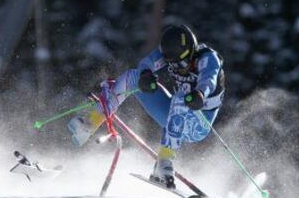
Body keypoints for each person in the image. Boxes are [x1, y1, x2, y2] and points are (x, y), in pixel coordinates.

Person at [69, 25, 225, 189]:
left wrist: (200, 93)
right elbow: (147, 62)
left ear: (192, 50)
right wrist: (146, 75)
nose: (180, 67)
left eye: (184, 61)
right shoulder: (167, 54)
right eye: (174, 64)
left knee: (181, 98)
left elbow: (209, 80)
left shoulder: (208, 59)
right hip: (174, 115)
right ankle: (89, 123)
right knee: (132, 77)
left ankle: (164, 165)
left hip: (198, 123)